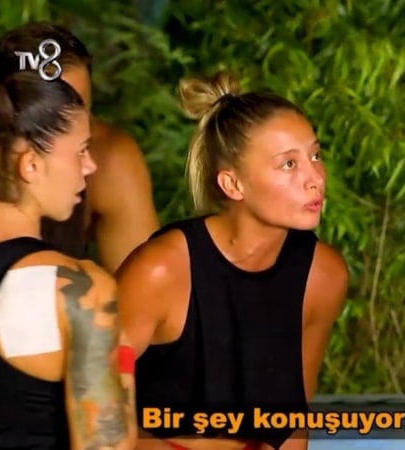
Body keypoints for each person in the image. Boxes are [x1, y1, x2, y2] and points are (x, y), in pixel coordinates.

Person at [115, 71, 349, 450]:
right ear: (232, 184)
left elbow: (293, 419)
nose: (315, 178)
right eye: (289, 164)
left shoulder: (323, 276)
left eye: (315, 155)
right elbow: (91, 404)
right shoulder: (160, 271)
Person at [0, 43, 136, 449]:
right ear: (30, 164)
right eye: (81, 151)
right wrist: (120, 358)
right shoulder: (76, 290)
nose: (90, 167)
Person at [0, 21, 160, 273]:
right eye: (47, 116)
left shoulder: (110, 162)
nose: (66, 129)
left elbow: (146, 288)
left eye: (77, 112)